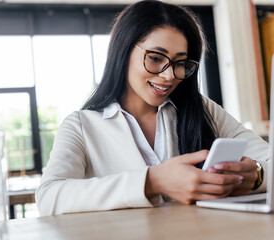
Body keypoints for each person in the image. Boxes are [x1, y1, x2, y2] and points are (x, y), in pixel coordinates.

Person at [36, 0, 269, 216]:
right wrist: (152, 181)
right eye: (156, 58)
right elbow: (49, 198)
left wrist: (257, 176)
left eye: (180, 63)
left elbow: (268, 161)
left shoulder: (203, 109)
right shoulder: (81, 126)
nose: (168, 76)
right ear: (124, 51)